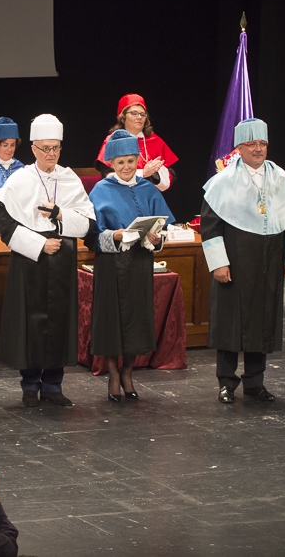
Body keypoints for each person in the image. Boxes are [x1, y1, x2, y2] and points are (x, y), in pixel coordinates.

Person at [0, 114, 95, 407]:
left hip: (62, 258)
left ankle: (53, 384)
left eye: (56, 148)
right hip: (30, 260)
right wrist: (40, 244)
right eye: (45, 148)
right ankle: (29, 385)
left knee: (60, 320)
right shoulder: (19, 180)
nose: (51, 154)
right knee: (31, 321)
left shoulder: (69, 178)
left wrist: (61, 219)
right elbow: (5, 224)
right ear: (34, 149)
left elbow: (88, 222)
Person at [200, 118, 285, 404]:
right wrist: (219, 263)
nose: (258, 149)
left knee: (263, 321)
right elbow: (210, 227)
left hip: (269, 263)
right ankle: (226, 383)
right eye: (252, 144)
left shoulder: (280, 178)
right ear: (239, 148)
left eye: (262, 144)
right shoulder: (221, 183)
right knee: (230, 324)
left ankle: (255, 383)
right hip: (234, 264)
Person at [88, 130, 174, 402]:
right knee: (112, 321)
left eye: (130, 161)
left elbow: (163, 228)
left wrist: (155, 238)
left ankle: (128, 372)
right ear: (111, 164)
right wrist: (114, 235)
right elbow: (91, 235)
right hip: (112, 264)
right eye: (120, 162)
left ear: (138, 160)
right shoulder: (101, 189)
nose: (126, 167)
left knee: (137, 320)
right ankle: (113, 374)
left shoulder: (147, 188)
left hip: (139, 262)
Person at [95, 94, 178, 194]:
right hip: (121, 197)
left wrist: (156, 174)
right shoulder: (113, 141)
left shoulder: (155, 140)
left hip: (150, 197)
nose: (139, 117)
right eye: (134, 113)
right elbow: (108, 176)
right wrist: (143, 173)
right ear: (123, 118)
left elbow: (171, 176)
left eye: (142, 114)